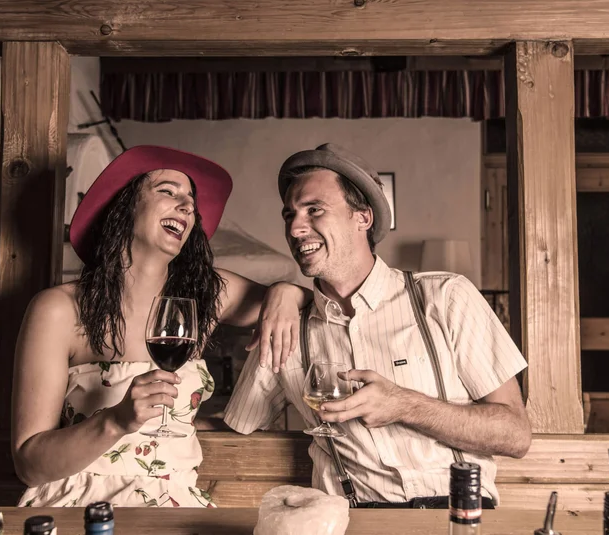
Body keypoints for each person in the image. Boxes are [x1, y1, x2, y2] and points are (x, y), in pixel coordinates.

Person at [224, 143, 532, 508]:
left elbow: (515, 434)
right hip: (352, 520)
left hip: (456, 514)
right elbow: (235, 427)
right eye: (289, 215)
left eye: (314, 210)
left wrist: (404, 405)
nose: (294, 227)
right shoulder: (286, 327)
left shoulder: (446, 297)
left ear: (363, 218)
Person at [12, 145, 308, 508]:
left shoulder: (207, 295)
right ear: (123, 207)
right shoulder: (58, 309)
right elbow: (29, 464)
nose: (187, 206)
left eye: (191, 201)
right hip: (81, 505)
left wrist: (285, 291)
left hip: (176, 503)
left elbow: (317, 308)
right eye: (168, 191)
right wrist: (115, 421)